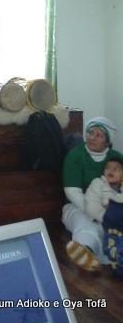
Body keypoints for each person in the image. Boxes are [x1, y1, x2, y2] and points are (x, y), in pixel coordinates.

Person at [63, 116, 123, 271]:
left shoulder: (117, 158)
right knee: (87, 225)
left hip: (112, 206)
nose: (92, 138)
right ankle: (85, 251)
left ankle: (117, 256)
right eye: (90, 133)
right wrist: (99, 215)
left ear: (107, 141)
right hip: (78, 206)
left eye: (99, 135)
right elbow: (72, 191)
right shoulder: (75, 155)